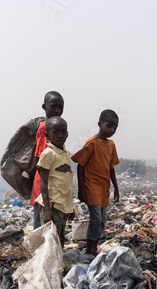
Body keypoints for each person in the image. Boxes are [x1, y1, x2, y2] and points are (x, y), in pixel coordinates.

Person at [72, 109, 120, 256]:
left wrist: (116, 189)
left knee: (103, 219)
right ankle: (89, 250)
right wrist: (81, 189)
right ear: (100, 124)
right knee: (96, 218)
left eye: (115, 128)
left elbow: (111, 168)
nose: (112, 130)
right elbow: (81, 164)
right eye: (109, 126)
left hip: (104, 187)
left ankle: (94, 247)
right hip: (91, 186)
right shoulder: (92, 143)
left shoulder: (111, 145)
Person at [35, 116, 74, 247]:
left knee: (60, 239)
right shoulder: (48, 154)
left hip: (62, 206)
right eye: (55, 132)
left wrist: (70, 207)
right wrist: (47, 210)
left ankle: (57, 266)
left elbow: (66, 183)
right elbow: (43, 183)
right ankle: (49, 267)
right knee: (50, 242)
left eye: (63, 132)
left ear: (67, 133)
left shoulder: (66, 153)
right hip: (52, 206)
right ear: (47, 135)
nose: (60, 135)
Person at [29, 91, 64, 230]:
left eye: (60, 107)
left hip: (51, 185)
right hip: (44, 184)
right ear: (44, 106)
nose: (57, 110)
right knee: (41, 224)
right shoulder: (45, 128)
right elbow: (42, 160)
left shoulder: (57, 128)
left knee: (48, 223)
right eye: (53, 106)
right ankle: (38, 251)